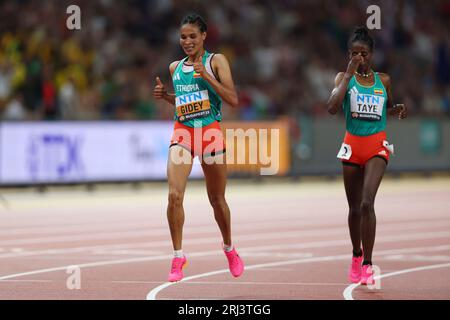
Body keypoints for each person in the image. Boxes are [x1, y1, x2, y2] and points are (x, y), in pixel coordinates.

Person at [153, 14, 244, 282]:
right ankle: (178, 256)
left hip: (210, 133)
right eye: (183, 37)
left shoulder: (216, 61)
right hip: (183, 132)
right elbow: (185, 102)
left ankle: (229, 248)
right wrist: (167, 97)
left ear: (204, 36)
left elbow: (232, 99)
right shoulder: (175, 68)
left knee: (217, 200)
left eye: (193, 36)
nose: (188, 41)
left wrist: (207, 77)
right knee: (174, 196)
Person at [326, 27, 407, 285]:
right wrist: (349, 73)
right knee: (353, 209)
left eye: (364, 53)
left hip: (376, 145)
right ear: (348, 55)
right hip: (352, 144)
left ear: (372, 54)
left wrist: (397, 111)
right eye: (354, 53)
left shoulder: (383, 80)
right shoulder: (343, 77)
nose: (359, 57)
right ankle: (355, 255)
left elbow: (388, 106)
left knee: (366, 203)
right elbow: (331, 108)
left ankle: (369, 264)